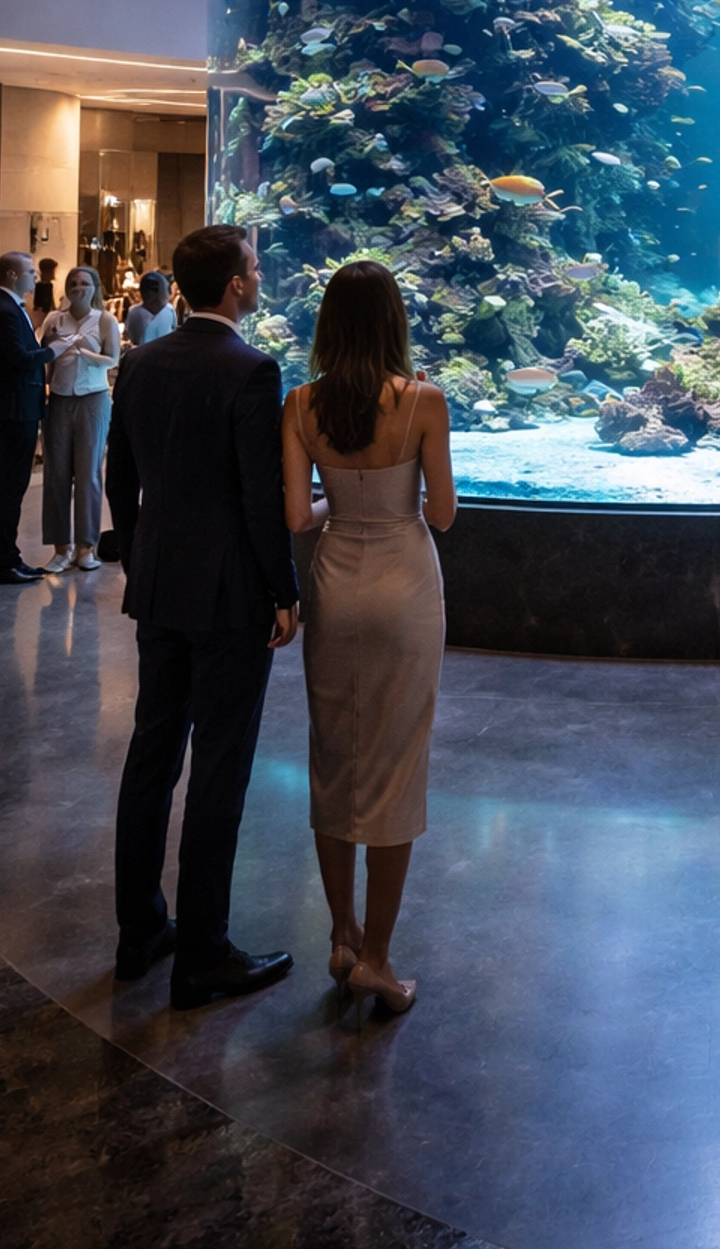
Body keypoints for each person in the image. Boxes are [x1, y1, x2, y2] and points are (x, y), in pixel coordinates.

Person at [107, 224, 300, 1007]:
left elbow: (118, 476)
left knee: (151, 755)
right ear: (234, 285)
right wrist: (283, 590)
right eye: (253, 267)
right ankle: (204, 954)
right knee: (220, 766)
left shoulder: (141, 362)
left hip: (160, 584)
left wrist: (138, 557)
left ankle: (139, 933)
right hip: (229, 595)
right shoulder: (252, 370)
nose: (259, 277)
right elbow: (259, 496)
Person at [282, 261, 455, 1017]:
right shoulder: (423, 401)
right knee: (395, 763)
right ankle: (379, 960)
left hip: (334, 584)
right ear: (394, 322)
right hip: (404, 584)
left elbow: (298, 516)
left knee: (335, 757)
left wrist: (343, 502)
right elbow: (442, 513)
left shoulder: (300, 403)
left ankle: (342, 936)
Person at [0, 253, 55, 585]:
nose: (35, 277)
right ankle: (6, 560)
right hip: (15, 408)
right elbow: (19, 358)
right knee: (10, 485)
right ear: (12, 274)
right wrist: (54, 351)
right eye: (30, 271)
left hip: (0, 406)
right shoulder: (5, 310)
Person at [39, 265, 121, 573]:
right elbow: (44, 360)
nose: (78, 287)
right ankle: (61, 548)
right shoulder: (54, 320)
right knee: (56, 474)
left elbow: (113, 359)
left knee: (88, 475)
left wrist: (85, 352)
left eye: (85, 283)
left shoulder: (104, 320)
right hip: (59, 400)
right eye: (73, 283)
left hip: (93, 399)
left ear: (94, 287)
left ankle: (86, 547)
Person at [123, 270, 176, 349]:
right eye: (166, 289)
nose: (170, 293)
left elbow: (128, 336)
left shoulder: (133, 312)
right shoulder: (169, 310)